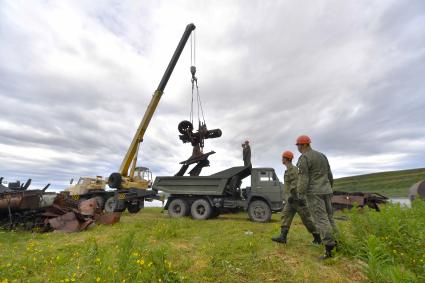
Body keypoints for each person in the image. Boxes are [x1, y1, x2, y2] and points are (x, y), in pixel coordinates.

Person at [295, 135, 337, 259]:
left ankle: (329, 249)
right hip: (326, 191)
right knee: (330, 218)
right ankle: (338, 242)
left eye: (298, 145)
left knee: (321, 220)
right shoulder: (322, 156)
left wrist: (300, 193)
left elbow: (303, 178)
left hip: (314, 193)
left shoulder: (304, 158)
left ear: (303, 145)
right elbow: (329, 175)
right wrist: (328, 188)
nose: (297, 147)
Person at [272, 150, 321, 245]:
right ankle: (283, 237)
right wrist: (287, 198)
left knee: (307, 219)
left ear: (286, 159)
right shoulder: (288, 170)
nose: (282, 159)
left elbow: (296, 183)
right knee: (285, 215)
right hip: (290, 200)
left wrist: (292, 195)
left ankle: (318, 238)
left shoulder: (293, 170)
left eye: (283, 158)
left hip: (297, 200)